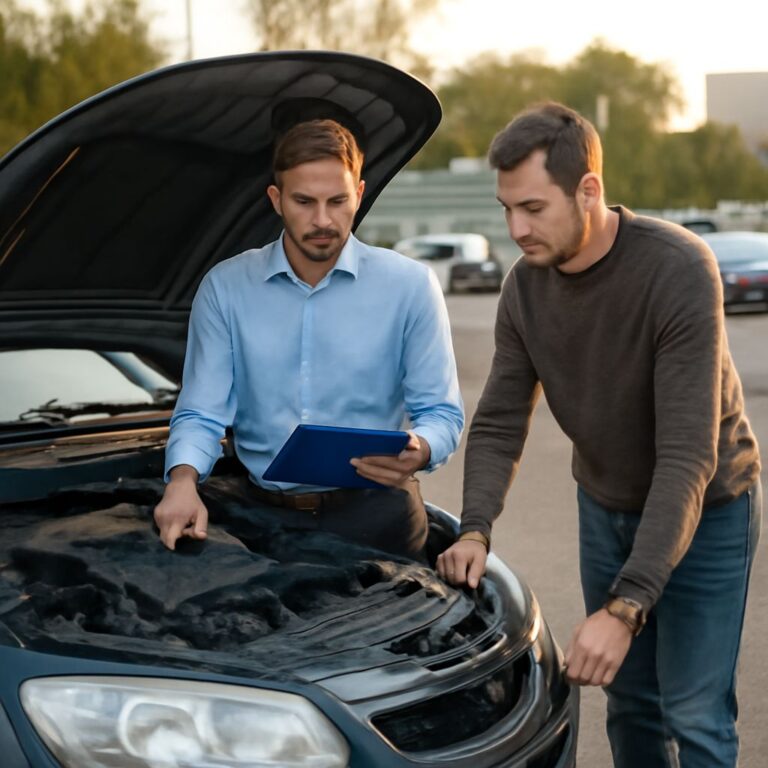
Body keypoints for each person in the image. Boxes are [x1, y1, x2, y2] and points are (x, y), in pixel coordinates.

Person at [436, 102, 762, 768]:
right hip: (605, 507)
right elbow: (499, 418)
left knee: (695, 714)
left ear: (588, 189)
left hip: (708, 511)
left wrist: (627, 605)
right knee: (632, 707)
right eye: (506, 209)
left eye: (532, 207)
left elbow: (686, 458)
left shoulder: (676, 269)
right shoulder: (524, 289)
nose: (515, 229)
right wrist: (475, 527)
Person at [155, 118, 464, 561]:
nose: (322, 220)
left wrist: (422, 447)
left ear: (359, 193)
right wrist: (182, 482)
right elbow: (202, 413)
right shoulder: (226, 288)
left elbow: (441, 413)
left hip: (380, 520)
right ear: (276, 200)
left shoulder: (411, 286)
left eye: (337, 201)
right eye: (304, 202)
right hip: (259, 521)